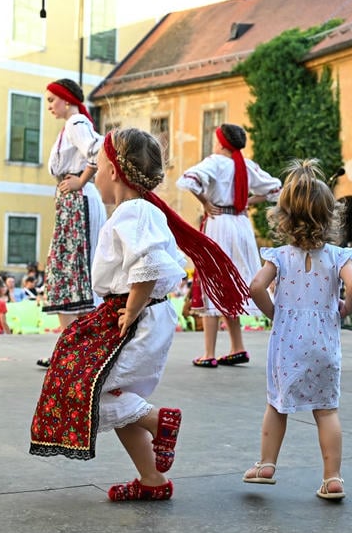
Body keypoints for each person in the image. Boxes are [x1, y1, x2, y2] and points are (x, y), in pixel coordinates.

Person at [30, 128, 250, 502]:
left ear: (113, 172)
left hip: (136, 314)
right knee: (115, 394)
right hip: (138, 311)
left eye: (97, 166)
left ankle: (158, 421)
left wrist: (130, 309)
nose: (93, 173)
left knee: (91, 388)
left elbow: (147, 265)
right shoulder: (138, 210)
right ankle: (152, 479)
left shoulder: (134, 211)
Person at [243, 160, 352, 500]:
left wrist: (274, 313)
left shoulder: (279, 256)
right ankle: (333, 478)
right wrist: (345, 309)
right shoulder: (337, 256)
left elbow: (255, 287)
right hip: (323, 342)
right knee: (326, 410)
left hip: (287, 344)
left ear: (283, 217)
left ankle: (266, 465)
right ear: (329, 217)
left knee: (277, 405)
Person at [177, 123, 282, 367]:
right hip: (241, 225)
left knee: (213, 282)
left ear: (221, 143)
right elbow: (275, 188)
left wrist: (205, 202)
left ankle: (209, 353)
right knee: (232, 283)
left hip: (219, 223)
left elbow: (189, 180)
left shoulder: (215, 162)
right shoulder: (246, 165)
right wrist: (246, 202)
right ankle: (237, 346)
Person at [41, 78, 106, 333]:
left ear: (66, 100)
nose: (49, 106)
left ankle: (76, 340)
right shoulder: (73, 124)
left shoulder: (76, 122)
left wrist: (81, 180)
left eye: (52, 100)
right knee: (70, 266)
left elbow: (98, 150)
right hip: (72, 201)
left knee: (73, 266)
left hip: (78, 200)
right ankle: (74, 339)